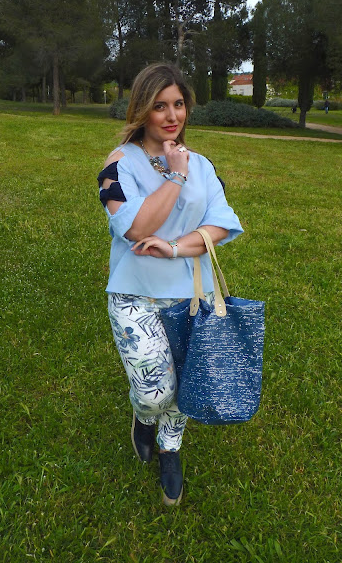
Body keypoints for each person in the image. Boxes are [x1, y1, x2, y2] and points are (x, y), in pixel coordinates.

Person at [97, 63, 243, 505]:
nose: (172, 115)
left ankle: (170, 448)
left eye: (178, 104)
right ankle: (144, 416)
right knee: (154, 391)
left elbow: (222, 223)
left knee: (184, 384)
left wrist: (177, 247)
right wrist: (175, 176)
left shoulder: (203, 165)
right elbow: (136, 227)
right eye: (160, 106)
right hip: (134, 293)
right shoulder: (120, 164)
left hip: (192, 294)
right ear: (142, 109)